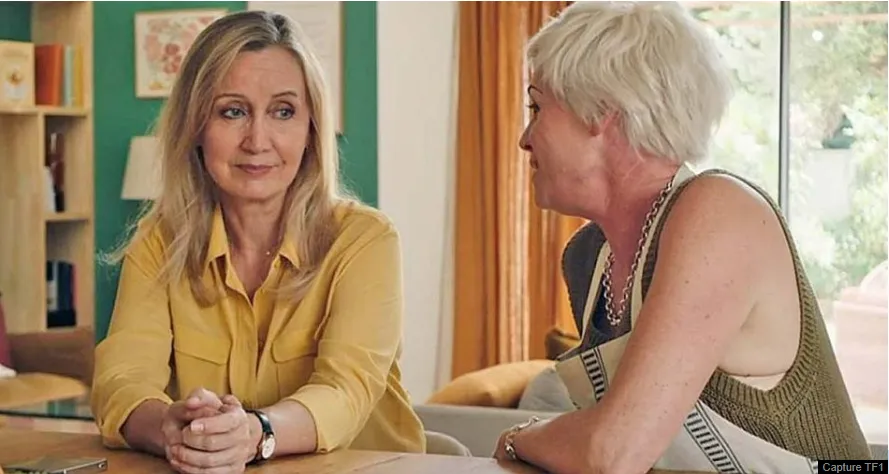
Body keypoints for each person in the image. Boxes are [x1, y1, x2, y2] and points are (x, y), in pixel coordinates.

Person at [494, 2, 871, 473]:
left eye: (537, 106)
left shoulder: (720, 211)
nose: (525, 138)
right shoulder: (587, 258)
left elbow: (611, 452)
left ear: (601, 111)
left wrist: (518, 438)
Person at [91, 10, 425, 473]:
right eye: (233, 111)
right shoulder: (158, 243)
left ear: (310, 130)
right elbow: (122, 380)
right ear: (195, 126)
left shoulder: (365, 241)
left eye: (283, 112)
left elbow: (345, 391)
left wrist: (254, 433)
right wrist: (169, 426)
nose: (257, 140)